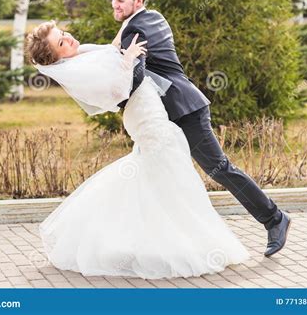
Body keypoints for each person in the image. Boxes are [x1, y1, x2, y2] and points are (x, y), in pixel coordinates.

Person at [25, 20, 251, 279]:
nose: (69, 39)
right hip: (145, 115)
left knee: (156, 175)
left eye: (64, 34)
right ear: (55, 57)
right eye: (61, 43)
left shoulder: (81, 53)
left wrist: (129, 23)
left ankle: (149, 242)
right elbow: (116, 91)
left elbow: (109, 50)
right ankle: (181, 246)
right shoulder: (77, 69)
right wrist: (130, 59)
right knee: (169, 173)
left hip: (147, 108)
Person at [110, 0, 291, 257]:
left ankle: (274, 218)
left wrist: (114, 98)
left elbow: (136, 74)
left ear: (138, 0)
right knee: (147, 175)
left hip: (183, 110)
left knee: (219, 169)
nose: (115, 5)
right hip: (163, 115)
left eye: (121, 0)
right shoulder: (152, 17)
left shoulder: (136, 29)